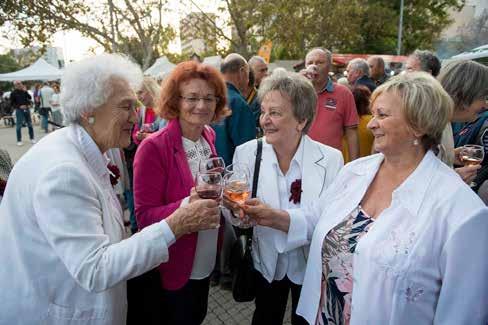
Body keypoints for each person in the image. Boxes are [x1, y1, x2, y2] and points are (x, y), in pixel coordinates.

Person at [0, 53, 221, 325]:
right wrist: (176, 224)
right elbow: (95, 269)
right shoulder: (64, 172)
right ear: (88, 110)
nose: (135, 117)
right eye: (126, 106)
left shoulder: (86, 151)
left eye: (135, 106)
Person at [295, 72, 488, 324]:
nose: (371, 124)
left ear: (418, 125)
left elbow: (463, 314)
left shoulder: (464, 212)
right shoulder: (355, 171)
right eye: (373, 114)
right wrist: (268, 216)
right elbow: (315, 217)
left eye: (382, 115)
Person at [225, 71, 344, 325]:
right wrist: (236, 212)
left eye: (275, 113)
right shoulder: (246, 153)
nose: (264, 120)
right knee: (265, 317)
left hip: (311, 265)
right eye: (263, 111)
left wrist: (276, 218)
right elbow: (234, 214)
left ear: (301, 120)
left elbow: (330, 222)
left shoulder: (331, 159)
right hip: (266, 261)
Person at [133, 60, 230, 325]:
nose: (201, 105)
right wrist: (190, 202)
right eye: (192, 97)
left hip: (205, 259)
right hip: (173, 266)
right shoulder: (153, 147)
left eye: (209, 98)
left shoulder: (208, 135)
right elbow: (144, 217)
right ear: (176, 100)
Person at [303, 48, 360, 161]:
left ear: (329, 67)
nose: (314, 66)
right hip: (300, 161)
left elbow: (351, 132)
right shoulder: (297, 93)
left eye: (320, 62)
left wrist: (355, 166)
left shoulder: (343, 93)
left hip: (330, 163)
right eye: (310, 63)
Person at [438, 60, 488, 188]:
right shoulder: (423, 127)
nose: (485, 105)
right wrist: (454, 178)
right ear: (464, 95)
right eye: (482, 97)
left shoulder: (444, 122)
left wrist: (449, 155)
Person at [213, 53, 256, 166]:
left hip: (211, 171)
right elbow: (247, 149)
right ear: (242, 72)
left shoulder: (210, 98)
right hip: (234, 174)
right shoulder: (238, 103)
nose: (248, 80)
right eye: (248, 73)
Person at [342, 86, 374, 161]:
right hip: (366, 166)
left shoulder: (342, 122)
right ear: (367, 102)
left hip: (343, 166)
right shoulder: (372, 122)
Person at [132, 76, 160, 145]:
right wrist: (138, 136)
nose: (138, 97)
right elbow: (134, 134)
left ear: (151, 89)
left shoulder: (165, 108)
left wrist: (147, 136)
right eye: (136, 93)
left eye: (140, 92)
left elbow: (169, 136)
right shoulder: (141, 111)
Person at [10, 80, 35, 146]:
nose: (20, 85)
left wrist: (26, 91)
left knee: (30, 124)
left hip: (27, 109)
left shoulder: (24, 91)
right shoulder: (13, 93)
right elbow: (12, 103)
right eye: (18, 84)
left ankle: (32, 138)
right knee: (19, 125)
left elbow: (29, 98)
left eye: (21, 83)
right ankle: (19, 140)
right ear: (15, 85)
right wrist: (19, 106)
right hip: (19, 110)